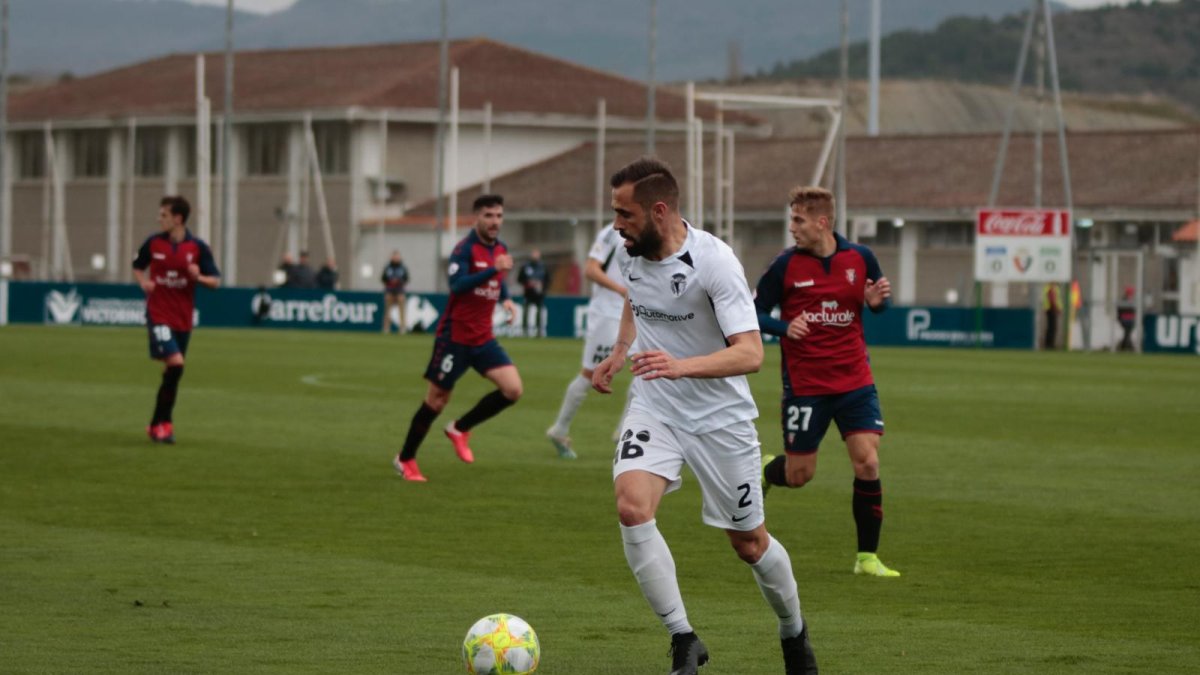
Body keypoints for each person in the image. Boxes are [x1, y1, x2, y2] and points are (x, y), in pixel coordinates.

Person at [592, 158, 817, 675]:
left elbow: (751, 354)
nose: (616, 225)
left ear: (660, 210)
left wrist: (680, 366)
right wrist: (620, 350)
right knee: (631, 507)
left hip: (721, 419)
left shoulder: (714, 263)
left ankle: (793, 632)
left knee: (749, 543)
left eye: (624, 214)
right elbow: (636, 298)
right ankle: (683, 639)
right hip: (655, 405)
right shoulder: (632, 252)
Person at [753, 186, 899, 580]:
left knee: (867, 461)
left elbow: (881, 302)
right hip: (806, 385)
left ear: (822, 222)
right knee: (800, 476)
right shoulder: (784, 266)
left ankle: (867, 557)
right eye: (792, 219)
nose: (792, 227)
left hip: (855, 380)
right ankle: (768, 470)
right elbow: (752, 312)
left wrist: (876, 302)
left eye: (799, 220)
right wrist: (785, 326)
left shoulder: (861, 257)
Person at [392, 194, 521, 482]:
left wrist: (508, 299)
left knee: (513, 390)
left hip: (483, 338)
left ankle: (460, 429)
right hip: (455, 338)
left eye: (499, 215)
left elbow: (498, 282)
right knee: (436, 401)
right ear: (476, 217)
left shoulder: (500, 248)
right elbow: (458, 285)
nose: (494, 221)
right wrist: (493, 269)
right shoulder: (464, 249)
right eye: (489, 215)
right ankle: (405, 459)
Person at [131, 195, 220, 444]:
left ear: (178, 219)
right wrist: (144, 282)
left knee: (173, 371)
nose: (159, 219)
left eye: (164, 216)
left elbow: (215, 281)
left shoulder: (198, 248)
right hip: (158, 313)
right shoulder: (153, 243)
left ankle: (159, 424)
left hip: (183, 319)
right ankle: (163, 424)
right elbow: (137, 265)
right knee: (177, 364)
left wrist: (198, 277)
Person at [545, 223, 635, 460]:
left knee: (647, 369)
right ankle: (560, 429)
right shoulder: (611, 233)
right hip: (607, 314)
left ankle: (625, 431)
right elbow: (590, 270)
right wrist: (621, 290)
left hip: (634, 314)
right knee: (590, 374)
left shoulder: (645, 229)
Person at [517, 248, 548, 337]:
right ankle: (524, 330)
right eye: (534, 254)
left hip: (539, 294)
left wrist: (542, 287)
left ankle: (539, 331)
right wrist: (528, 283)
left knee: (539, 312)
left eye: (537, 254)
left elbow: (547, 280)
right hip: (528, 293)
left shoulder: (543, 267)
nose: (535, 256)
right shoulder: (526, 266)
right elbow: (520, 279)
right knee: (526, 311)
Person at [381, 251, 410, 334]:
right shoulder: (387, 267)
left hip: (400, 291)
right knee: (387, 311)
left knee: (402, 310)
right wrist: (390, 281)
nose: (395, 258)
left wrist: (399, 281)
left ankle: (402, 328)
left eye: (397, 256)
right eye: (394, 256)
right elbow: (383, 278)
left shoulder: (403, 267)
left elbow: (406, 278)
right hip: (389, 291)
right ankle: (386, 328)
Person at [1117, 285, 1137, 351]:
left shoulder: (1132, 301)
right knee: (1127, 333)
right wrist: (1120, 319)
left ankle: (1124, 346)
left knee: (1127, 333)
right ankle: (1127, 346)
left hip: (1130, 319)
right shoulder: (1124, 300)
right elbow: (1120, 311)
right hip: (1125, 319)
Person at [1043, 283, 1061, 350]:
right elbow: (1052, 298)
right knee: (1053, 327)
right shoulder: (1051, 287)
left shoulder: (1048, 287)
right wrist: (1055, 308)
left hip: (1049, 308)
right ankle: (1050, 345)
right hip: (1051, 309)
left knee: (1050, 327)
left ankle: (1048, 344)